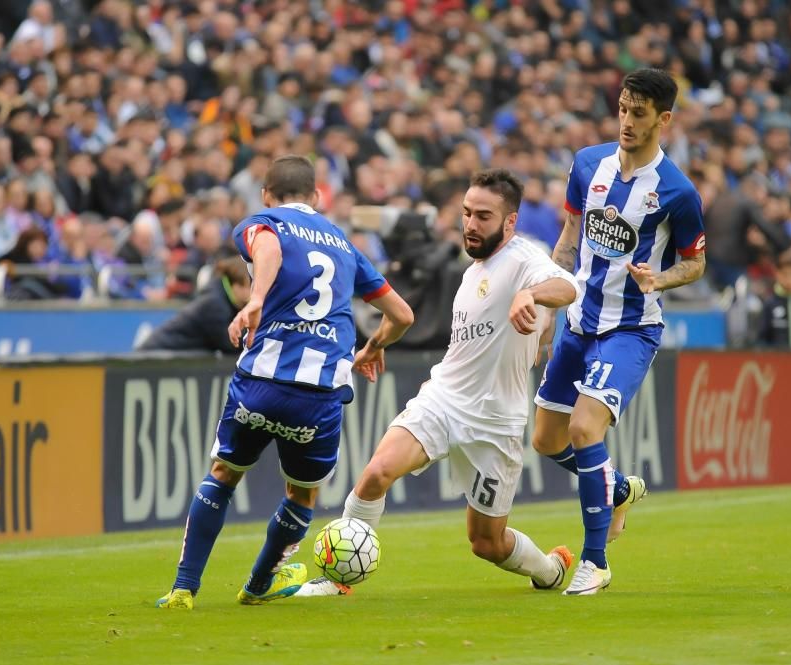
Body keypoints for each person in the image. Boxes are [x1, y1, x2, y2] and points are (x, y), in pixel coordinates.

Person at [297, 168, 581, 597]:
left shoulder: (524, 259)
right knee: (376, 473)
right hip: (444, 400)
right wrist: (375, 343)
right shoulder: (471, 272)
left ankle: (549, 570)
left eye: (483, 216)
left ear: (509, 222)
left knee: (486, 543)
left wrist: (532, 295)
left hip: (496, 421)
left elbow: (567, 286)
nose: (470, 224)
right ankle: (338, 582)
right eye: (466, 213)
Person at [157, 155, 414, 610]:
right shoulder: (345, 245)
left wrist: (256, 299)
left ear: (266, 194)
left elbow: (270, 248)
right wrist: (374, 346)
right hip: (317, 397)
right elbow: (402, 315)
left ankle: (183, 588)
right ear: (316, 196)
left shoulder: (262, 222)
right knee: (302, 493)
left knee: (223, 474)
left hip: (260, 382)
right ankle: (258, 586)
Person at [531, 68, 707, 595]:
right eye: (624, 109)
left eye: (639, 113)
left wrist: (662, 277)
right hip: (579, 321)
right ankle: (618, 489)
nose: (627, 121)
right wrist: (548, 300)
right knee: (545, 438)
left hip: (631, 329)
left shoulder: (677, 191)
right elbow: (567, 238)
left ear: (664, 120)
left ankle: (595, 561)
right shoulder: (588, 164)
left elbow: (695, 263)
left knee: (586, 429)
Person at [137, 256, 252, 354]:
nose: (254, 291)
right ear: (236, 285)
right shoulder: (214, 304)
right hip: (155, 354)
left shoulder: (220, 296)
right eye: (250, 285)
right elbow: (231, 344)